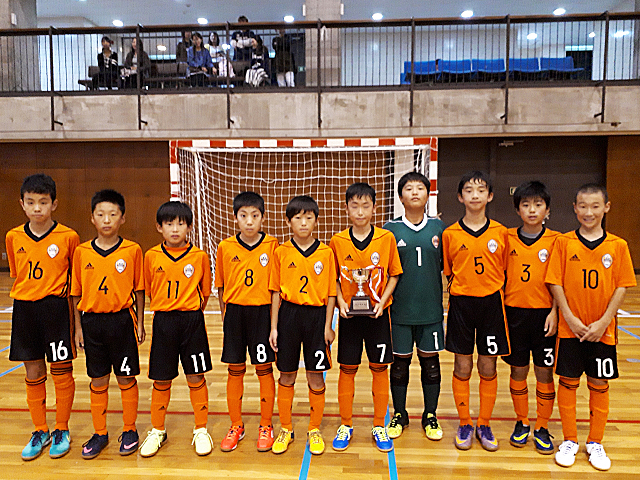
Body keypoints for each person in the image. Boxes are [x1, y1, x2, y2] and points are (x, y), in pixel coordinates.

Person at [546, 184, 635, 471]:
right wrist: (569, 318)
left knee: (599, 383)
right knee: (568, 382)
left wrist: (604, 321)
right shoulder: (564, 242)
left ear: (606, 208)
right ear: (575, 208)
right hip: (570, 329)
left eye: (595, 206)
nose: (589, 212)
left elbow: (622, 286)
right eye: (583, 206)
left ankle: (595, 441)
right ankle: (570, 439)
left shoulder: (618, 245)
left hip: (602, 330)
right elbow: (555, 282)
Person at [6, 174, 79, 461]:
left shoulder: (69, 237)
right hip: (25, 310)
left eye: (43, 202)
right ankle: (40, 430)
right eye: (31, 202)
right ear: (22, 204)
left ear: (54, 204)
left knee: (61, 369)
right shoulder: (13, 237)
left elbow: (75, 283)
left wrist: (78, 324)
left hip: (56, 309)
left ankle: (62, 428)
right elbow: (17, 274)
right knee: (33, 371)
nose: (37, 208)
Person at [71, 189, 145, 459]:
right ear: (92, 218)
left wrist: (140, 323)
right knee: (98, 378)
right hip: (92, 323)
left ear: (122, 218)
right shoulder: (81, 252)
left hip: (122, 321)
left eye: (113, 214)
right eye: (101, 214)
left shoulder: (132, 250)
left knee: (126, 376)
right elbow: (75, 293)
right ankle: (100, 432)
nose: (106, 220)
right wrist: (78, 328)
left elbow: (139, 289)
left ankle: (130, 429)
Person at [329, 182, 403, 453]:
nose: (360, 212)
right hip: (349, 316)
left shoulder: (386, 238)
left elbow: (394, 274)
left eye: (365, 206)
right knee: (347, 369)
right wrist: (340, 301)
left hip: (378, 315)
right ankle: (346, 424)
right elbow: (333, 279)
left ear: (374, 208)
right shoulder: (337, 242)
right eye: (354, 206)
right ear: (346, 208)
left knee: (379, 368)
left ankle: (379, 425)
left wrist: (382, 301)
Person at [139, 201, 214, 458]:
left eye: (180, 224)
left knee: (196, 376)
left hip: (192, 322)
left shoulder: (199, 256)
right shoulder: (151, 256)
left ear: (189, 227)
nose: (174, 229)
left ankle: (201, 429)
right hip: (164, 322)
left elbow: (205, 292)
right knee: (161, 378)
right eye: (169, 223)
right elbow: (149, 289)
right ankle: (157, 430)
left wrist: (190, 311)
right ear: (159, 227)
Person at [442, 171, 509, 452]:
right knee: (462, 365)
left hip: (491, 304)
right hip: (461, 305)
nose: (475, 195)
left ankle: (484, 423)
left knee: (488, 365)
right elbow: (448, 272)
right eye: (468, 190)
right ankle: (465, 422)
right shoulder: (450, 234)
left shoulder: (501, 232)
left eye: (481, 190)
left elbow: (505, 269)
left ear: (490, 196)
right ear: (460, 197)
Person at [268, 196, 337, 455]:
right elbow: (275, 292)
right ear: (288, 222)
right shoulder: (281, 252)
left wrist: (328, 325)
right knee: (286, 374)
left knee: (315, 375)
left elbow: (331, 293)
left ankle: (314, 428)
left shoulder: (326, 253)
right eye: (298, 218)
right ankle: (286, 428)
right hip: (288, 316)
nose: (303, 223)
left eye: (309, 217)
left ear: (316, 221)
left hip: (317, 317)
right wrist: (274, 327)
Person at [383, 172, 445, 441]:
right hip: (399, 311)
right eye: (409, 188)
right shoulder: (390, 229)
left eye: (420, 187)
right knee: (399, 364)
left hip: (431, 311)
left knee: (431, 364)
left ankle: (430, 415)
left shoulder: (439, 228)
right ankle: (400, 413)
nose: (415, 192)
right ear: (400, 196)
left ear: (428, 194)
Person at [215, 192, 279, 452]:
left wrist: (274, 325)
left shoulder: (273, 245)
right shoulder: (225, 247)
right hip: (235, 314)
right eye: (243, 216)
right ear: (235, 218)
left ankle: (266, 424)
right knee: (235, 369)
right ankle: (236, 425)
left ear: (263, 217)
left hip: (262, 313)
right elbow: (220, 287)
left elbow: (276, 289)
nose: (249, 221)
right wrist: (225, 317)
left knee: (264, 368)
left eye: (254, 215)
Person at [502, 181, 560, 454]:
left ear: (547, 210)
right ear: (518, 210)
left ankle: (543, 426)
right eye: (525, 205)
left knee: (544, 372)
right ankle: (522, 421)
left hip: (545, 316)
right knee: (518, 370)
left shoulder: (558, 241)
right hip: (514, 314)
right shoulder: (506, 238)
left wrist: (555, 312)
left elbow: (561, 281)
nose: (532, 210)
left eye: (538, 204)